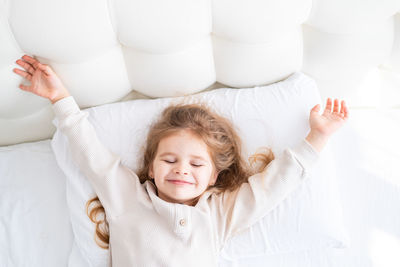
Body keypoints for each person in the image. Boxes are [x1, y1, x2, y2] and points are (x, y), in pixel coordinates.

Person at [13, 54, 349, 267]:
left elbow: (272, 187)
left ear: (215, 176)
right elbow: (91, 155)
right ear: (151, 167)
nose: (181, 169)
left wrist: (317, 137)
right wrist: (61, 99)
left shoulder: (218, 213)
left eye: (196, 165)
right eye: (170, 159)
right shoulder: (128, 198)